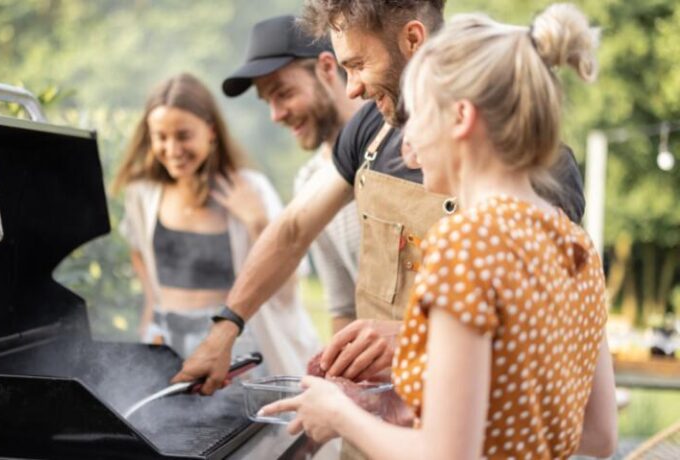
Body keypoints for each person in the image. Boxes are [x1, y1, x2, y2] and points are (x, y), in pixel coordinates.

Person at [172, 0, 585, 395]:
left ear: (413, 39)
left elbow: (540, 335)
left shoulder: (535, 164)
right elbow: (294, 230)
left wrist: (413, 339)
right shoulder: (371, 128)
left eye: (358, 64)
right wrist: (226, 327)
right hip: (370, 425)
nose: (351, 90)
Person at [260, 5, 618, 459]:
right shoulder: (575, 246)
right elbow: (599, 437)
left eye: (419, 116)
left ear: (461, 118)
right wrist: (408, 411)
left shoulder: (464, 244)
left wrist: (337, 414)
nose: (407, 144)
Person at [112, 73, 318, 375]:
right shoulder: (142, 194)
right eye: (161, 137)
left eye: (183, 136)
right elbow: (138, 251)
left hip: (232, 344)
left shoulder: (251, 188)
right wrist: (150, 313)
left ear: (210, 131)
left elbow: (289, 280)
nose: (172, 149)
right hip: (164, 341)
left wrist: (257, 220)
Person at [222, 15, 364, 334]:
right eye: (268, 101)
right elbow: (344, 307)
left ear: (327, 68)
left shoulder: (396, 143)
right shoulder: (308, 181)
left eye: (283, 93)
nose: (275, 115)